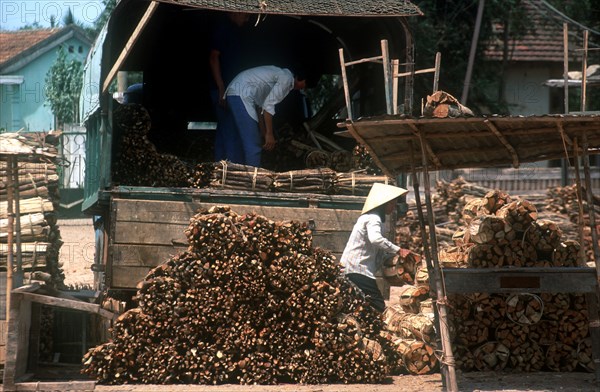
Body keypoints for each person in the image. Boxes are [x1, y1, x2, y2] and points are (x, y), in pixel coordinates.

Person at [340, 183, 410, 312]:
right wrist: (398, 250)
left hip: (354, 268)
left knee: (359, 305)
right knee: (378, 305)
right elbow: (376, 239)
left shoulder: (374, 219)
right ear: (383, 204)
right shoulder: (373, 218)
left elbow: (377, 249)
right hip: (358, 269)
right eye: (391, 203)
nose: (393, 207)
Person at [223, 65, 307, 166]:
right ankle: (252, 180)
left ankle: (232, 175)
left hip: (236, 92)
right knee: (253, 146)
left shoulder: (282, 76)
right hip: (241, 94)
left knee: (238, 141)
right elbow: (268, 106)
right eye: (305, 85)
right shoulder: (287, 79)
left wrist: (263, 131)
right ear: (301, 78)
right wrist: (269, 134)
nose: (303, 88)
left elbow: (261, 106)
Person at [208, 12, 250, 162]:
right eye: (245, 15)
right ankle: (233, 172)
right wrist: (221, 89)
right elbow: (213, 58)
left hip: (230, 90)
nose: (247, 19)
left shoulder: (233, 30)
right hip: (225, 90)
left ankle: (219, 170)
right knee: (232, 131)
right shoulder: (223, 28)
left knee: (224, 130)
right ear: (235, 12)